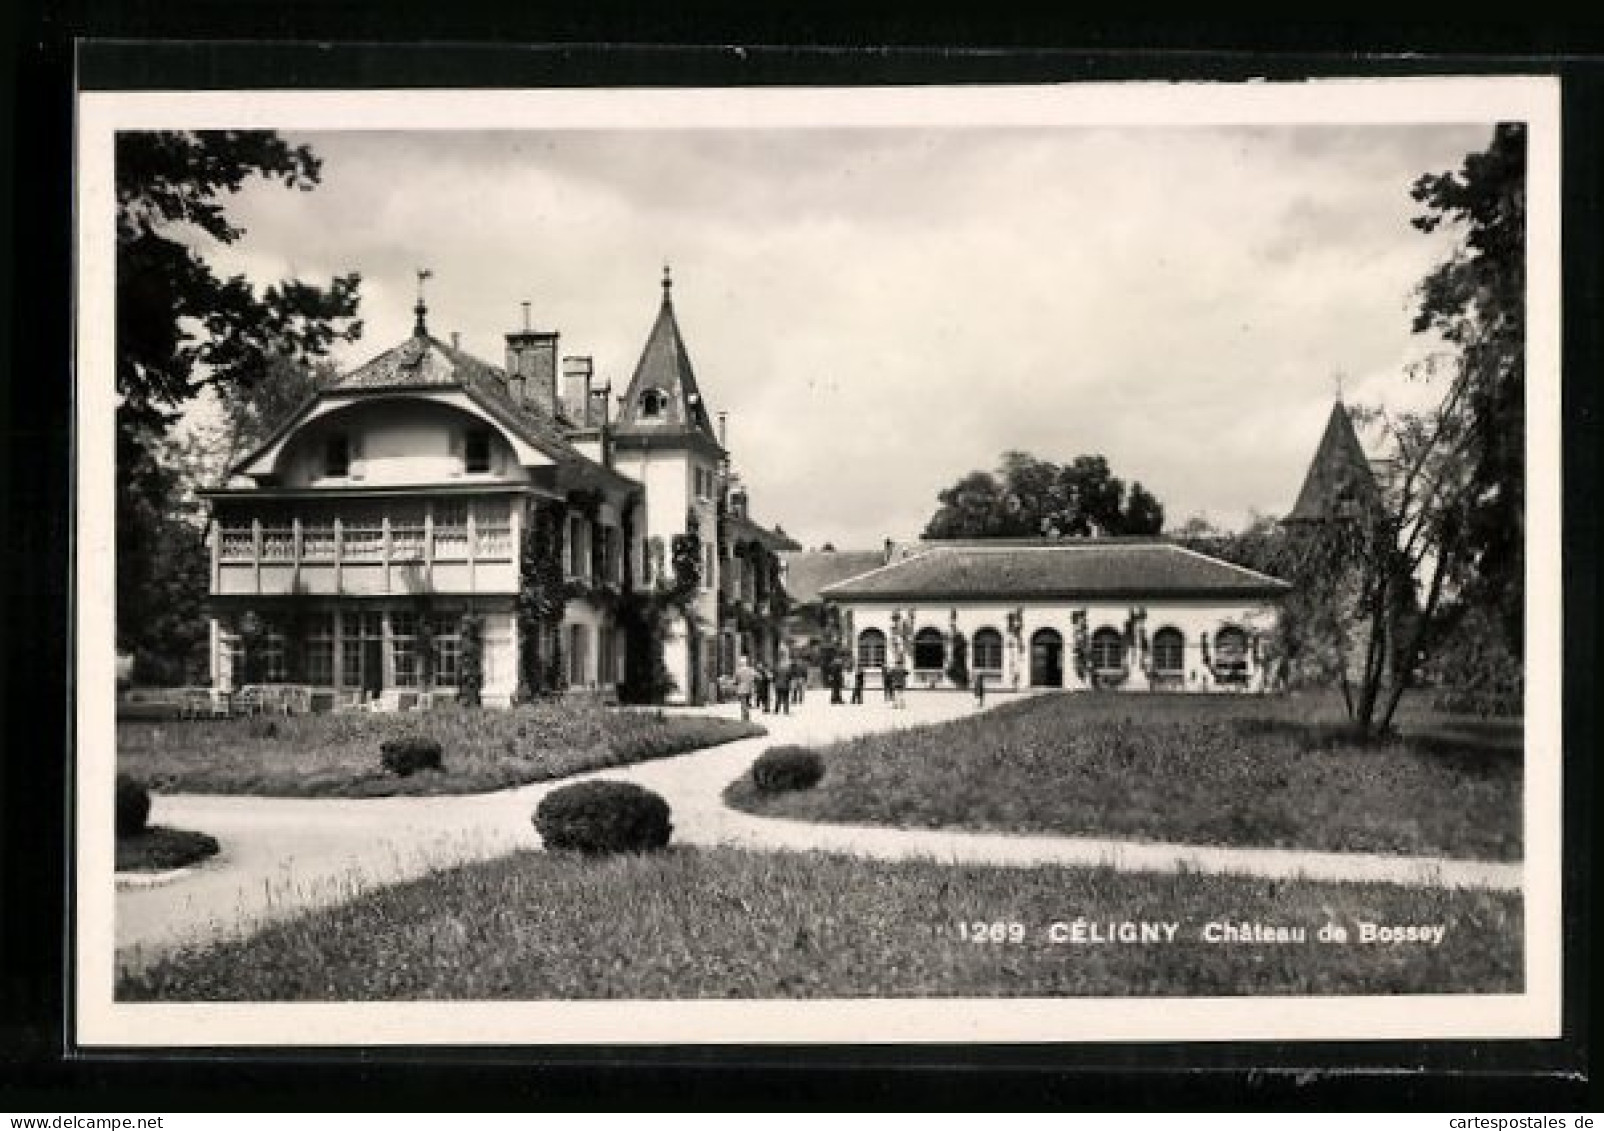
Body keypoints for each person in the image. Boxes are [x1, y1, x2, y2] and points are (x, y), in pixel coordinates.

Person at [733, 657, 756, 721]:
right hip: (749, 689)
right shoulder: (750, 670)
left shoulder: (738, 671)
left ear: (741, 663)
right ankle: (747, 717)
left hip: (741, 689)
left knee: (743, 704)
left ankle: (744, 718)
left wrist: (735, 684)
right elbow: (754, 678)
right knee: (747, 703)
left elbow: (736, 681)